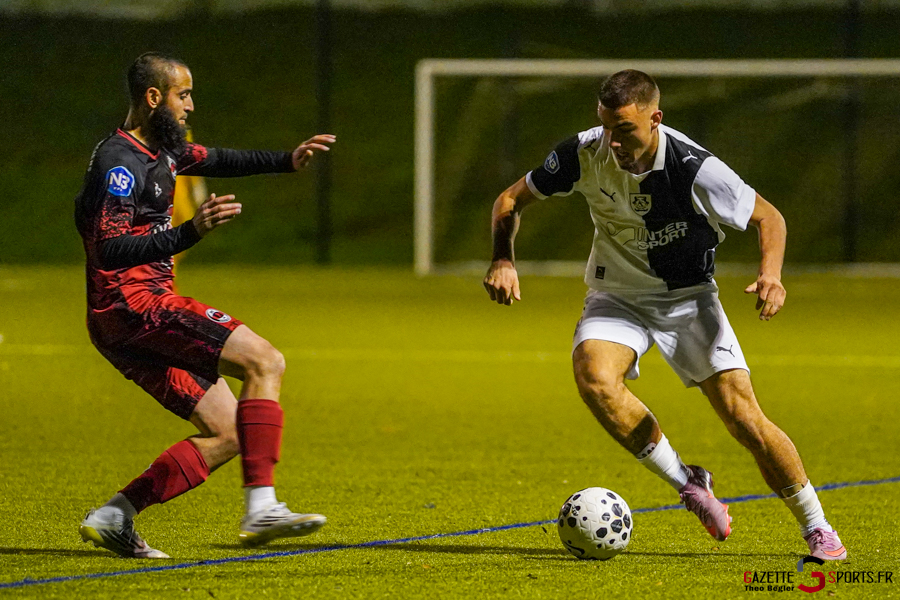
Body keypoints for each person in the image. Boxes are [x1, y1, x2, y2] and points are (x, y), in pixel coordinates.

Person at [482, 69, 846, 561]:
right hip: (618, 297)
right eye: (606, 127)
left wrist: (771, 275)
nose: (613, 141)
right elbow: (510, 200)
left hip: (688, 299)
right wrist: (502, 258)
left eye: (625, 129)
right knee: (594, 376)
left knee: (744, 420)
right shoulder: (583, 153)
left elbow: (769, 217)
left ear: (655, 119)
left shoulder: (693, 166)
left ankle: (818, 528)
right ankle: (687, 482)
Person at [74, 52, 336, 558]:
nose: (191, 105)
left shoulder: (164, 150)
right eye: (183, 95)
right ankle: (262, 507)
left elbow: (219, 158)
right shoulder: (119, 163)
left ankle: (114, 516)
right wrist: (190, 232)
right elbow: (109, 249)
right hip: (135, 306)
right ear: (154, 99)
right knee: (266, 361)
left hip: (124, 321)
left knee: (233, 432)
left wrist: (288, 159)